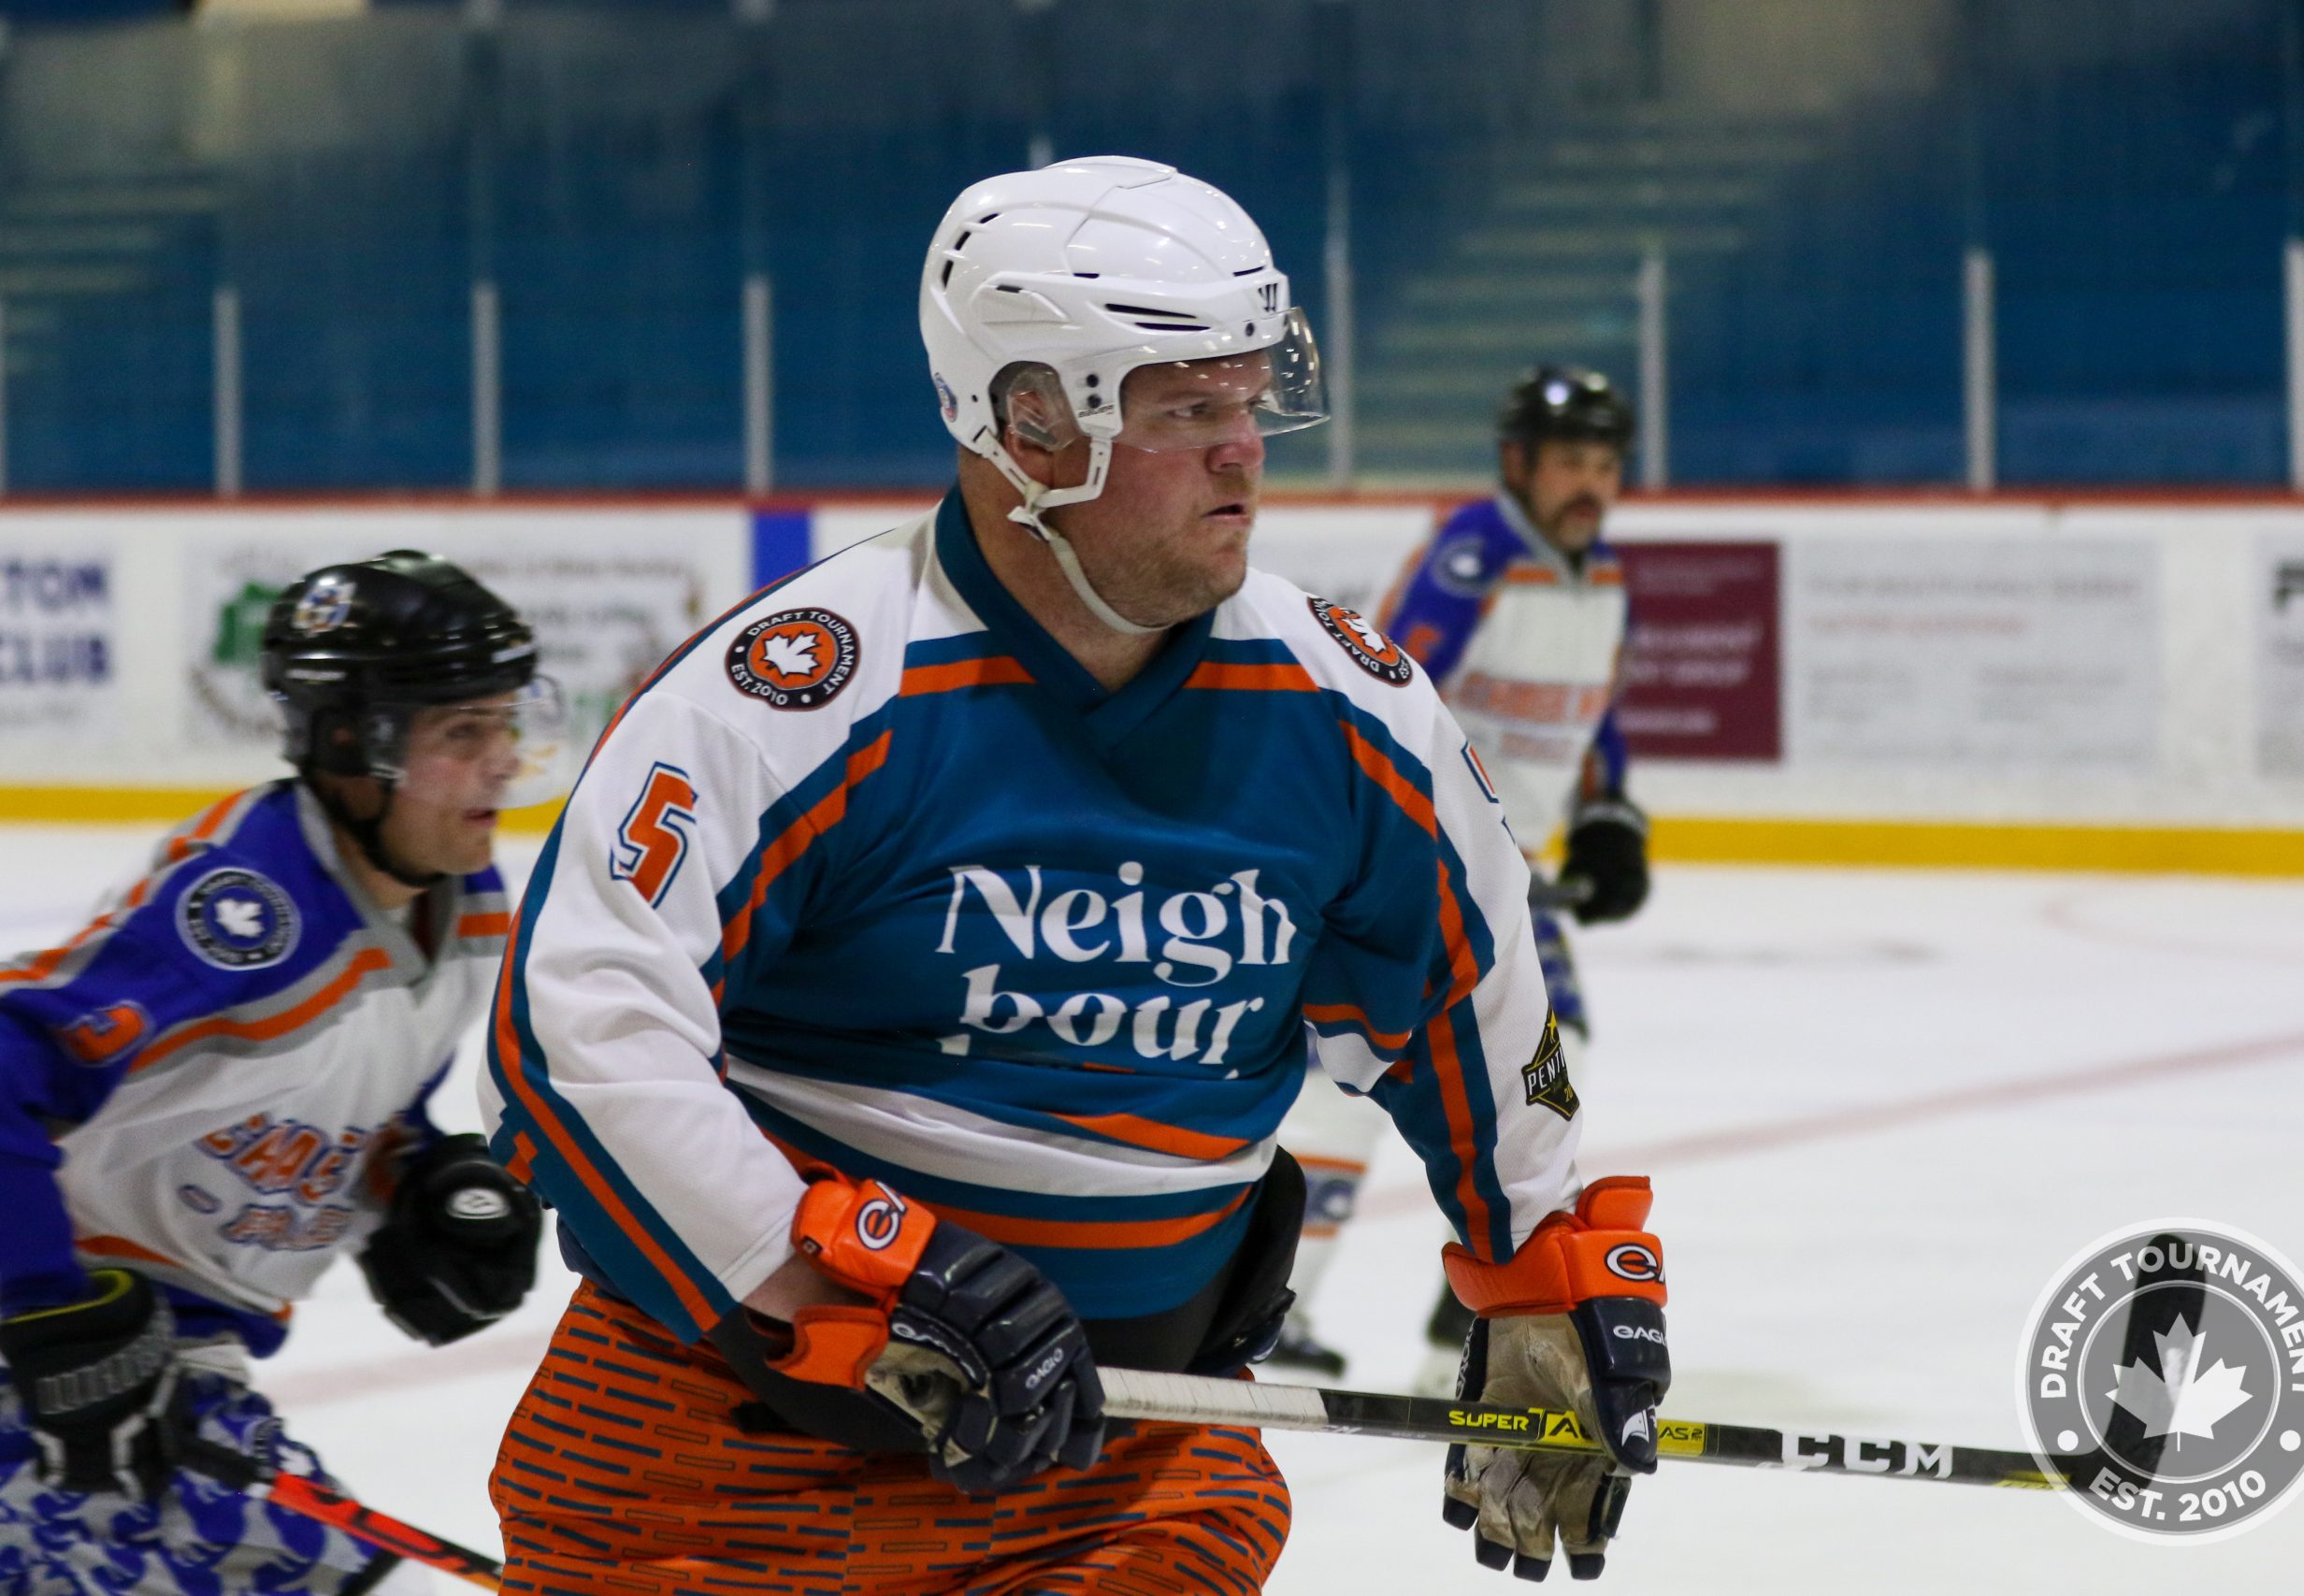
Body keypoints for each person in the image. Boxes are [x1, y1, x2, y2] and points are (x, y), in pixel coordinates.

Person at [481, 155, 1672, 1593]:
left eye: (1252, 400)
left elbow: (1466, 993)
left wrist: (1540, 1260)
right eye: (1186, 411)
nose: (1245, 452)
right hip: (727, 1460)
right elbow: (577, 1030)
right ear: (1030, 424)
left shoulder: (1350, 709)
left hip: (1134, 1472)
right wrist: (816, 1263)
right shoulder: (795, 692)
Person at [0, 552, 551, 1596]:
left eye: (508, 722)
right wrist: (44, 1311)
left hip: (166, 1360)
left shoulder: (464, 896)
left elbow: (360, 1094)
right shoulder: (247, 914)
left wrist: (417, 1180)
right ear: (352, 746)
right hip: (56, 1355)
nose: (503, 765)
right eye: (462, 732)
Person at [1267, 368, 1649, 1385]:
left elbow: (1595, 711)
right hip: (1418, 863)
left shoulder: (1602, 577)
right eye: (1569, 462)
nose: (1590, 483)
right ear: (1517, 464)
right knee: (1357, 1088)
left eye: (1605, 464)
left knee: (1541, 1074)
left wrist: (1609, 813)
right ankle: (1288, 1305)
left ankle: (1468, 1311)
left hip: (1502, 876)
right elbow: (1389, 688)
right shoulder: (1473, 558)